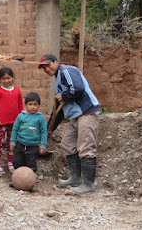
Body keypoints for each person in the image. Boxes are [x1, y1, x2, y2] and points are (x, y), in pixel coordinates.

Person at [38, 53, 100, 194]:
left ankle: (88, 184)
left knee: (86, 147)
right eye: (44, 68)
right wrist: (50, 129)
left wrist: (64, 96)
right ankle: (75, 178)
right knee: (67, 144)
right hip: (75, 117)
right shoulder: (58, 82)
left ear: (55, 62)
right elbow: (58, 111)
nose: (47, 69)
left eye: (48, 65)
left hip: (87, 113)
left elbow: (77, 88)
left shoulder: (66, 71)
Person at [0, 66, 23, 174]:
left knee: (11, 143)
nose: (6, 81)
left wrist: (21, 119)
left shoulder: (17, 91)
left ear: (12, 78)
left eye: (8, 78)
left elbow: (20, 106)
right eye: (3, 79)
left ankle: (10, 162)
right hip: (1, 123)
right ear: (0, 80)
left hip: (14, 123)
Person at [10, 92, 47, 173]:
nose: (32, 107)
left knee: (31, 164)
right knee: (17, 162)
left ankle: (30, 180)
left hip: (33, 146)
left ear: (39, 105)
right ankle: (18, 180)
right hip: (20, 145)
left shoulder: (40, 118)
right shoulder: (21, 116)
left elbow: (44, 132)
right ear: (26, 105)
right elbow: (15, 129)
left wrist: (43, 145)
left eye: (35, 104)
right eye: (30, 104)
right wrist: (12, 142)